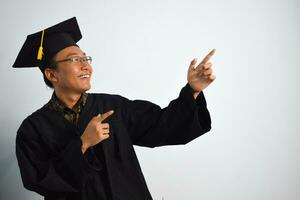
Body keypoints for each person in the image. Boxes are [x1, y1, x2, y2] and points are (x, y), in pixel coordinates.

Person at [13, 17, 216, 200]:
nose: (86, 66)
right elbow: (40, 181)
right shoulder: (32, 129)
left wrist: (192, 90)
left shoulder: (113, 107)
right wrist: (83, 144)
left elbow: (163, 126)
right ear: (51, 74)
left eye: (86, 59)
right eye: (75, 59)